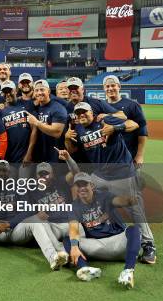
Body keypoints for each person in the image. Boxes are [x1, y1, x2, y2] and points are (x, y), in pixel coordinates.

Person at [65, 102, 156, 264]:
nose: (81, 116)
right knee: (83, 196)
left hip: (122, 173)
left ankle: (148, 244)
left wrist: (115, 128)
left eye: (84, 113)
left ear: (92, 112)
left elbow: (133, 124)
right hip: (100, 176)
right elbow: (71, 150)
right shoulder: (77, 128)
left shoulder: (104, 120)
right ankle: (87, 235)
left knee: (134, 207)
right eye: (78, 114)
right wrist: (66, 139)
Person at [62, 173, 142, 289]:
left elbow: (118, 200)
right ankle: (84, 268)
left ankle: (128, 271)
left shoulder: (104, 196)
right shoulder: (75, 206)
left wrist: (129, 200)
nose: (82, 188)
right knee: (68, 240)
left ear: (92, 186)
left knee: (133, 230)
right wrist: (74, 246)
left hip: (118, 243)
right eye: (78, 185)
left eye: (85, 184)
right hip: (97, 245)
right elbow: (73, 227)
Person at [103, 75, 148, 167]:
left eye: (113, 85)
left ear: (119, 86)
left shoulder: (132, 105)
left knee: (131, 180)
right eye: (107, 86)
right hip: (108, 156)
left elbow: (142, 131)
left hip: (129, 155)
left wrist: (139, 155)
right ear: (104, 88)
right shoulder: (101, 106)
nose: (110, 88)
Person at [0, 80, 36, 177]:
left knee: (23, 188)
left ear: (15, 90)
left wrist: (29, 153)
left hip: (25, 157)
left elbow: (34, 129)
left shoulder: (27, 105)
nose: (7, 94)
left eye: (10, 91)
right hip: (9, 158)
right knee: (11, 188)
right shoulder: (1, 111)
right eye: (5, 92)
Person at [26, 80, 67, 163]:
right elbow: (35, 132)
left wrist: (37, 122)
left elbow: (57, 133)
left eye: (42, 90)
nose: (39, 93)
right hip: (40, 155)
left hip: (56, 155)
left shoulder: (57, 108)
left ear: (48, 91)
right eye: (37, 90)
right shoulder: (36, 109)